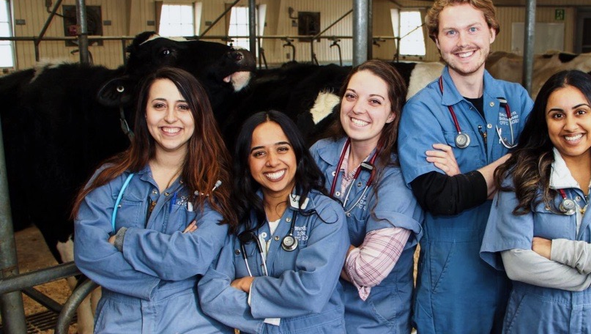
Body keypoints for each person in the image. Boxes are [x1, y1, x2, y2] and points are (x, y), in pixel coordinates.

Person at [480, 70, 591, 333]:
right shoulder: (522, 177)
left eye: (581, 112)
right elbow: (519, 263)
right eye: (557, 115)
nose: (569, 125)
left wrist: (555, 250)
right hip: (537, 322)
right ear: (544, 122)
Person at [397, 0, 534, 333]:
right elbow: (442, 198)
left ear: (491, 33)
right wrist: (513, 162)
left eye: (473, 29)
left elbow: (542, 174)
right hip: (454, 281)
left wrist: (468, 180)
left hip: (518, 269)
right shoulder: (422, 110)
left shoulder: (516, 99)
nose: (463, 42)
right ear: (437, 41)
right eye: (450, 32)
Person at [72, 67, 235, 333]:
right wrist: (168, 266)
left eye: (183, 107)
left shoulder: (215, 183)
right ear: (144, 113)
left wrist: (124, 239)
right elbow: (90, 253)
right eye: (159, 105)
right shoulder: (111, 178)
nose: (170, 117)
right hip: (121, 319)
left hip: (193, 320)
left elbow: (196, 255)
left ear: (198, 114)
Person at [197, 110, 350, 334]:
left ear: (297, 153)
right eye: (259, 153)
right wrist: (273, 318)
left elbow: (311, 293)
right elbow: (212, 295)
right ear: (246, 161)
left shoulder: (326, 215)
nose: (272, 162)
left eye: (282, 149)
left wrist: (250, 285)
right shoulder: (236, 217)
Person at [310, 60, 423, 333]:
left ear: (392, 114)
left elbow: (366, 271)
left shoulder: (397, 178)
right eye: (351, 96)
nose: (358, 108)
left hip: (372, 322)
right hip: (317, 312)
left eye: (374, 101)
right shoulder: (320, 153)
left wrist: (313, 245)